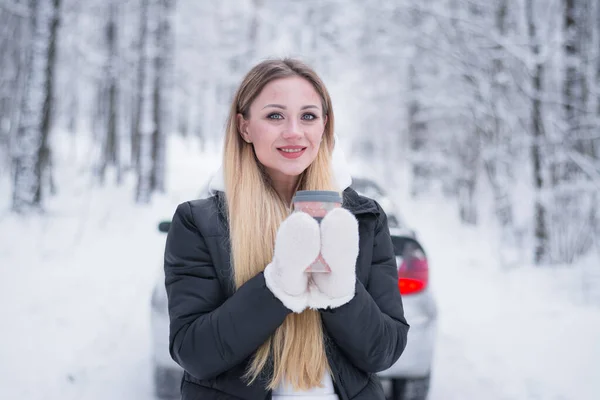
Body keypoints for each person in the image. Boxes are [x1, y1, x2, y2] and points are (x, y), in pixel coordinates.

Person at [164, 58, 410, 400]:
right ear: (244, 127)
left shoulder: (362, 219)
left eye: (308, 116)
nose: (294, 131)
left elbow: (383, 352)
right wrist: (276, 285)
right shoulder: (199, 223)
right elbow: (194, 352)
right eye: (275, 115)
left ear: (325, 125)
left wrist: (341, 291)